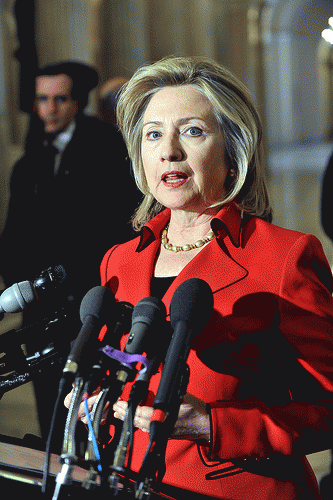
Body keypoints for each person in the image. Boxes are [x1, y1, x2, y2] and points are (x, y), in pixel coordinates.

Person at [65, 56, 333, 499]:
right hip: (130, 486)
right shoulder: (119, 261)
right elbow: (122, 364)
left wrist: (211, 425)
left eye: (192, 131)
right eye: (153, 135)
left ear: (232, 150)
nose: (169, 150)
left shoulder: (285, 257)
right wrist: (91, 402)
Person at [0, 60, 141, 442]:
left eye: (59, 99)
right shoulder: (30, 161)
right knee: (50, 405)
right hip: (40, 307)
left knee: (90, 409)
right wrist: (23, 286)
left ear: (76, 102)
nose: (50, 108)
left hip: (89, 302)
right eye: (42, 99)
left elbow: (117, 227)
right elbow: (12, 236)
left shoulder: (107, 147)